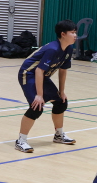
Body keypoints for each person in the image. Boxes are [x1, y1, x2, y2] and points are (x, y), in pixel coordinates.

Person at [15, 20, 77, 153]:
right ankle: (21, 141)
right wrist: (39, 95)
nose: (75, 35)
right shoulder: (52, 49)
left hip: (42, 76)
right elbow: (38, 70)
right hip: (28, 74)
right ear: (63, 34)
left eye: (75, 32)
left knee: (61, 102)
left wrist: (61, 91)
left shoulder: (68, 49)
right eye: (72, 33)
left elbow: (63, 70)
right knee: (37, 107)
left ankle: (59, 135)